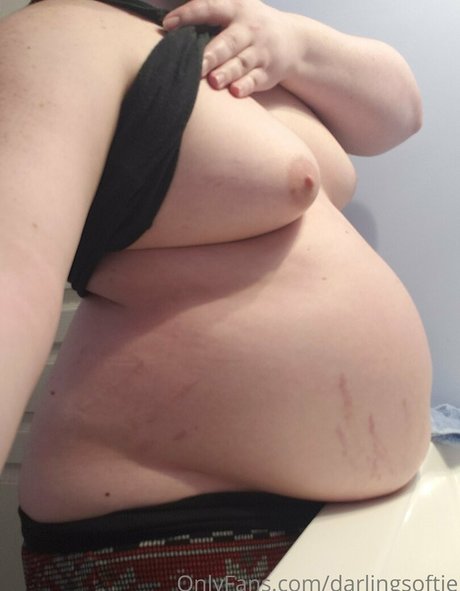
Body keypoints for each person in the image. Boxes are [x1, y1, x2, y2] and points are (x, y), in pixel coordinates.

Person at [0, 0, 432, 588]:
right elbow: (13, 287)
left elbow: (401, 116)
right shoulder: (59, 36)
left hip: (352, 525)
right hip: (175, 532)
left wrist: (295, 41)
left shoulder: (244, 43)